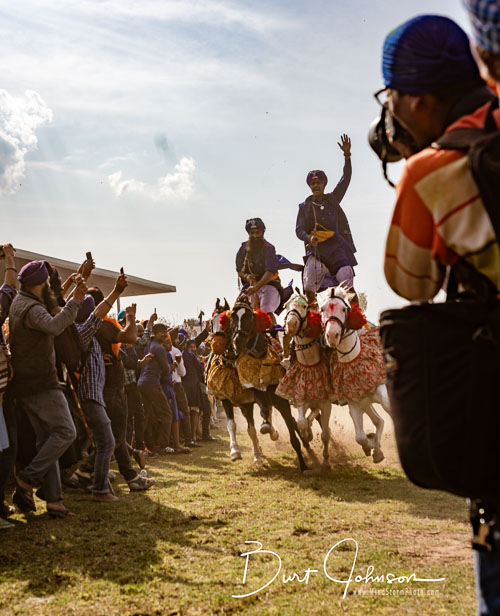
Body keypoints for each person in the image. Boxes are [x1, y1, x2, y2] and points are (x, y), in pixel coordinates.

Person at [378, 13, 499, 614]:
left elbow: (412, 281)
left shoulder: (434, 170)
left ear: (420, 102)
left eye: (394, 98)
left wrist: (412, 162)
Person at [9, 260, 87, 517]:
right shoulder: (31, 307)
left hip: (28, 385)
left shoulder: (20, 302)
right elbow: (54, 325)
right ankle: (26, 480)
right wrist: (75, 300)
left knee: (47, 440)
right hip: (42, 384)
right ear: (39, 284)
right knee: (66, 432)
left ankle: (54, 501)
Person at [296, 134, 357, 304]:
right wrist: (309, 238)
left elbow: (346, 179)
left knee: (347, 281)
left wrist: (347, 156)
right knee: (308, 284)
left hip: (337, 249)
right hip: (317, 251)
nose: (315, 186)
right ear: (310, 186)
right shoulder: (305, 206)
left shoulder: (333, 199)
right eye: (313, 184)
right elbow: (299, 230)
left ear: (324, 185)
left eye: (318, 183)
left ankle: (356, 318)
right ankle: (313, 317)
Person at [236, 218, 299, 322]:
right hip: (250, 286)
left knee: (266, 311)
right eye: (252, 233)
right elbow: (239, 271)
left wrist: (257, 287)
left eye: (257, 233)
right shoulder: (243, 248)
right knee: (240, 310)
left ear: (262, 233)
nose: (255, 236)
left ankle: (273, 336)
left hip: (270, 284)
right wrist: (247, 276)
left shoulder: (269, 248)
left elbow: (270, 273)